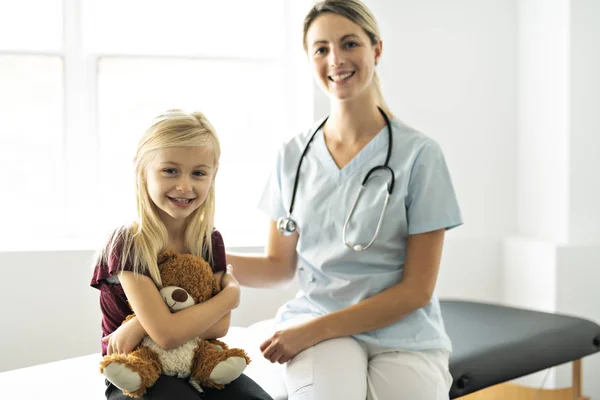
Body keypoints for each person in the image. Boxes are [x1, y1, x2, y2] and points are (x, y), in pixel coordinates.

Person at [226, 1, 463, 399]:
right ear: (309, 58)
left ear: (377, 50)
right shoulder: (293, 156)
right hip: (318, 323)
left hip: (403, 332)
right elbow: (279, 265)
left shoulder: (420, 155)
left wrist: (312, 330)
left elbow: (416, 291)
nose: (335, 59)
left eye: (349, 43)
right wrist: (202, 258)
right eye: (321, 49)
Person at [90, 110, 273, 400]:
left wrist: (142, 324)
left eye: (198, 173)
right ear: (142, 170)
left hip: (197, 361)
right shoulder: (128, 243)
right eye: (170, 171)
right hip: (136, 371)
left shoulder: (208, 240)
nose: (185, 186)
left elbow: (219, 327)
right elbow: (167, 335)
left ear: (213, 176)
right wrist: (229, 296)